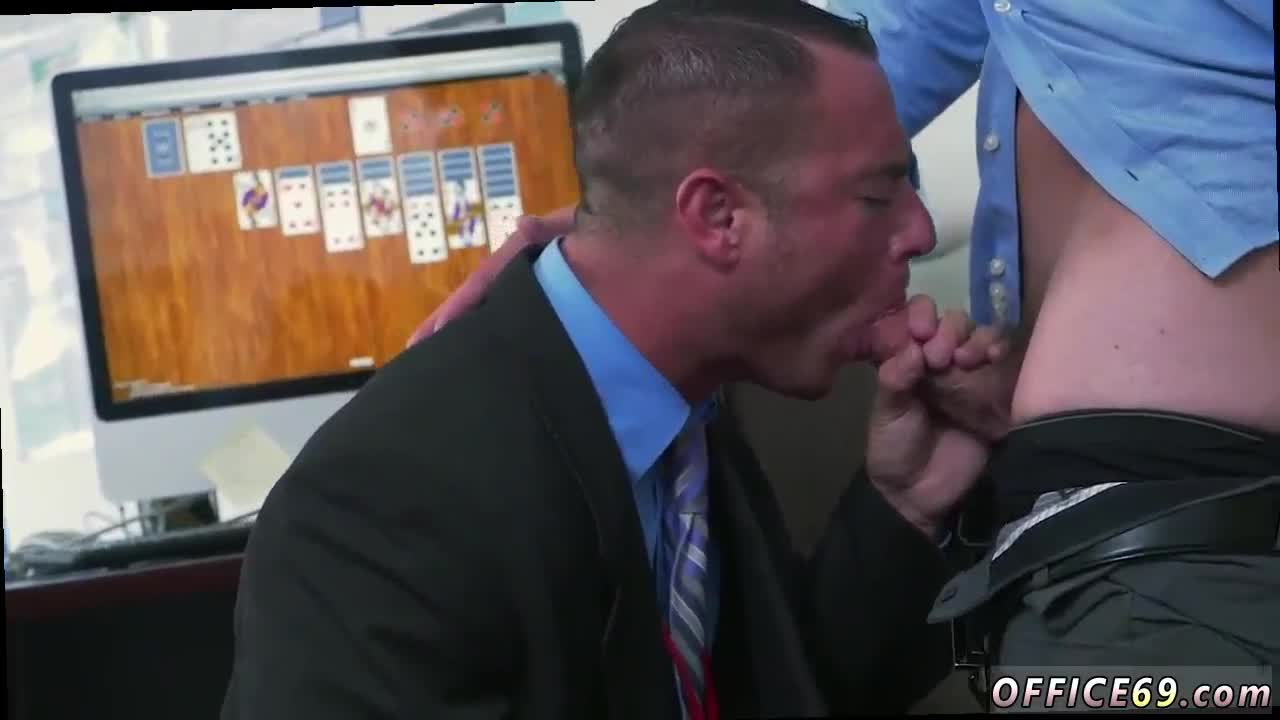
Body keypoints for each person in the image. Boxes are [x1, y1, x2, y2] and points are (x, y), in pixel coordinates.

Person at [416, 0, 1280, 674]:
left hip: (1194, 538)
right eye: (879, 196)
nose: (915, 231)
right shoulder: (437, 487)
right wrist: (620, 222)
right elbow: (841, 76)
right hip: (1092, 536)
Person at [222, 3, 1010, 718]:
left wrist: (906, 509)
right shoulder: (381, 504)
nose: (919, 231)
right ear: (717, 216)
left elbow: (778, 691)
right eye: (878, 196)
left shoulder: (684, 405)